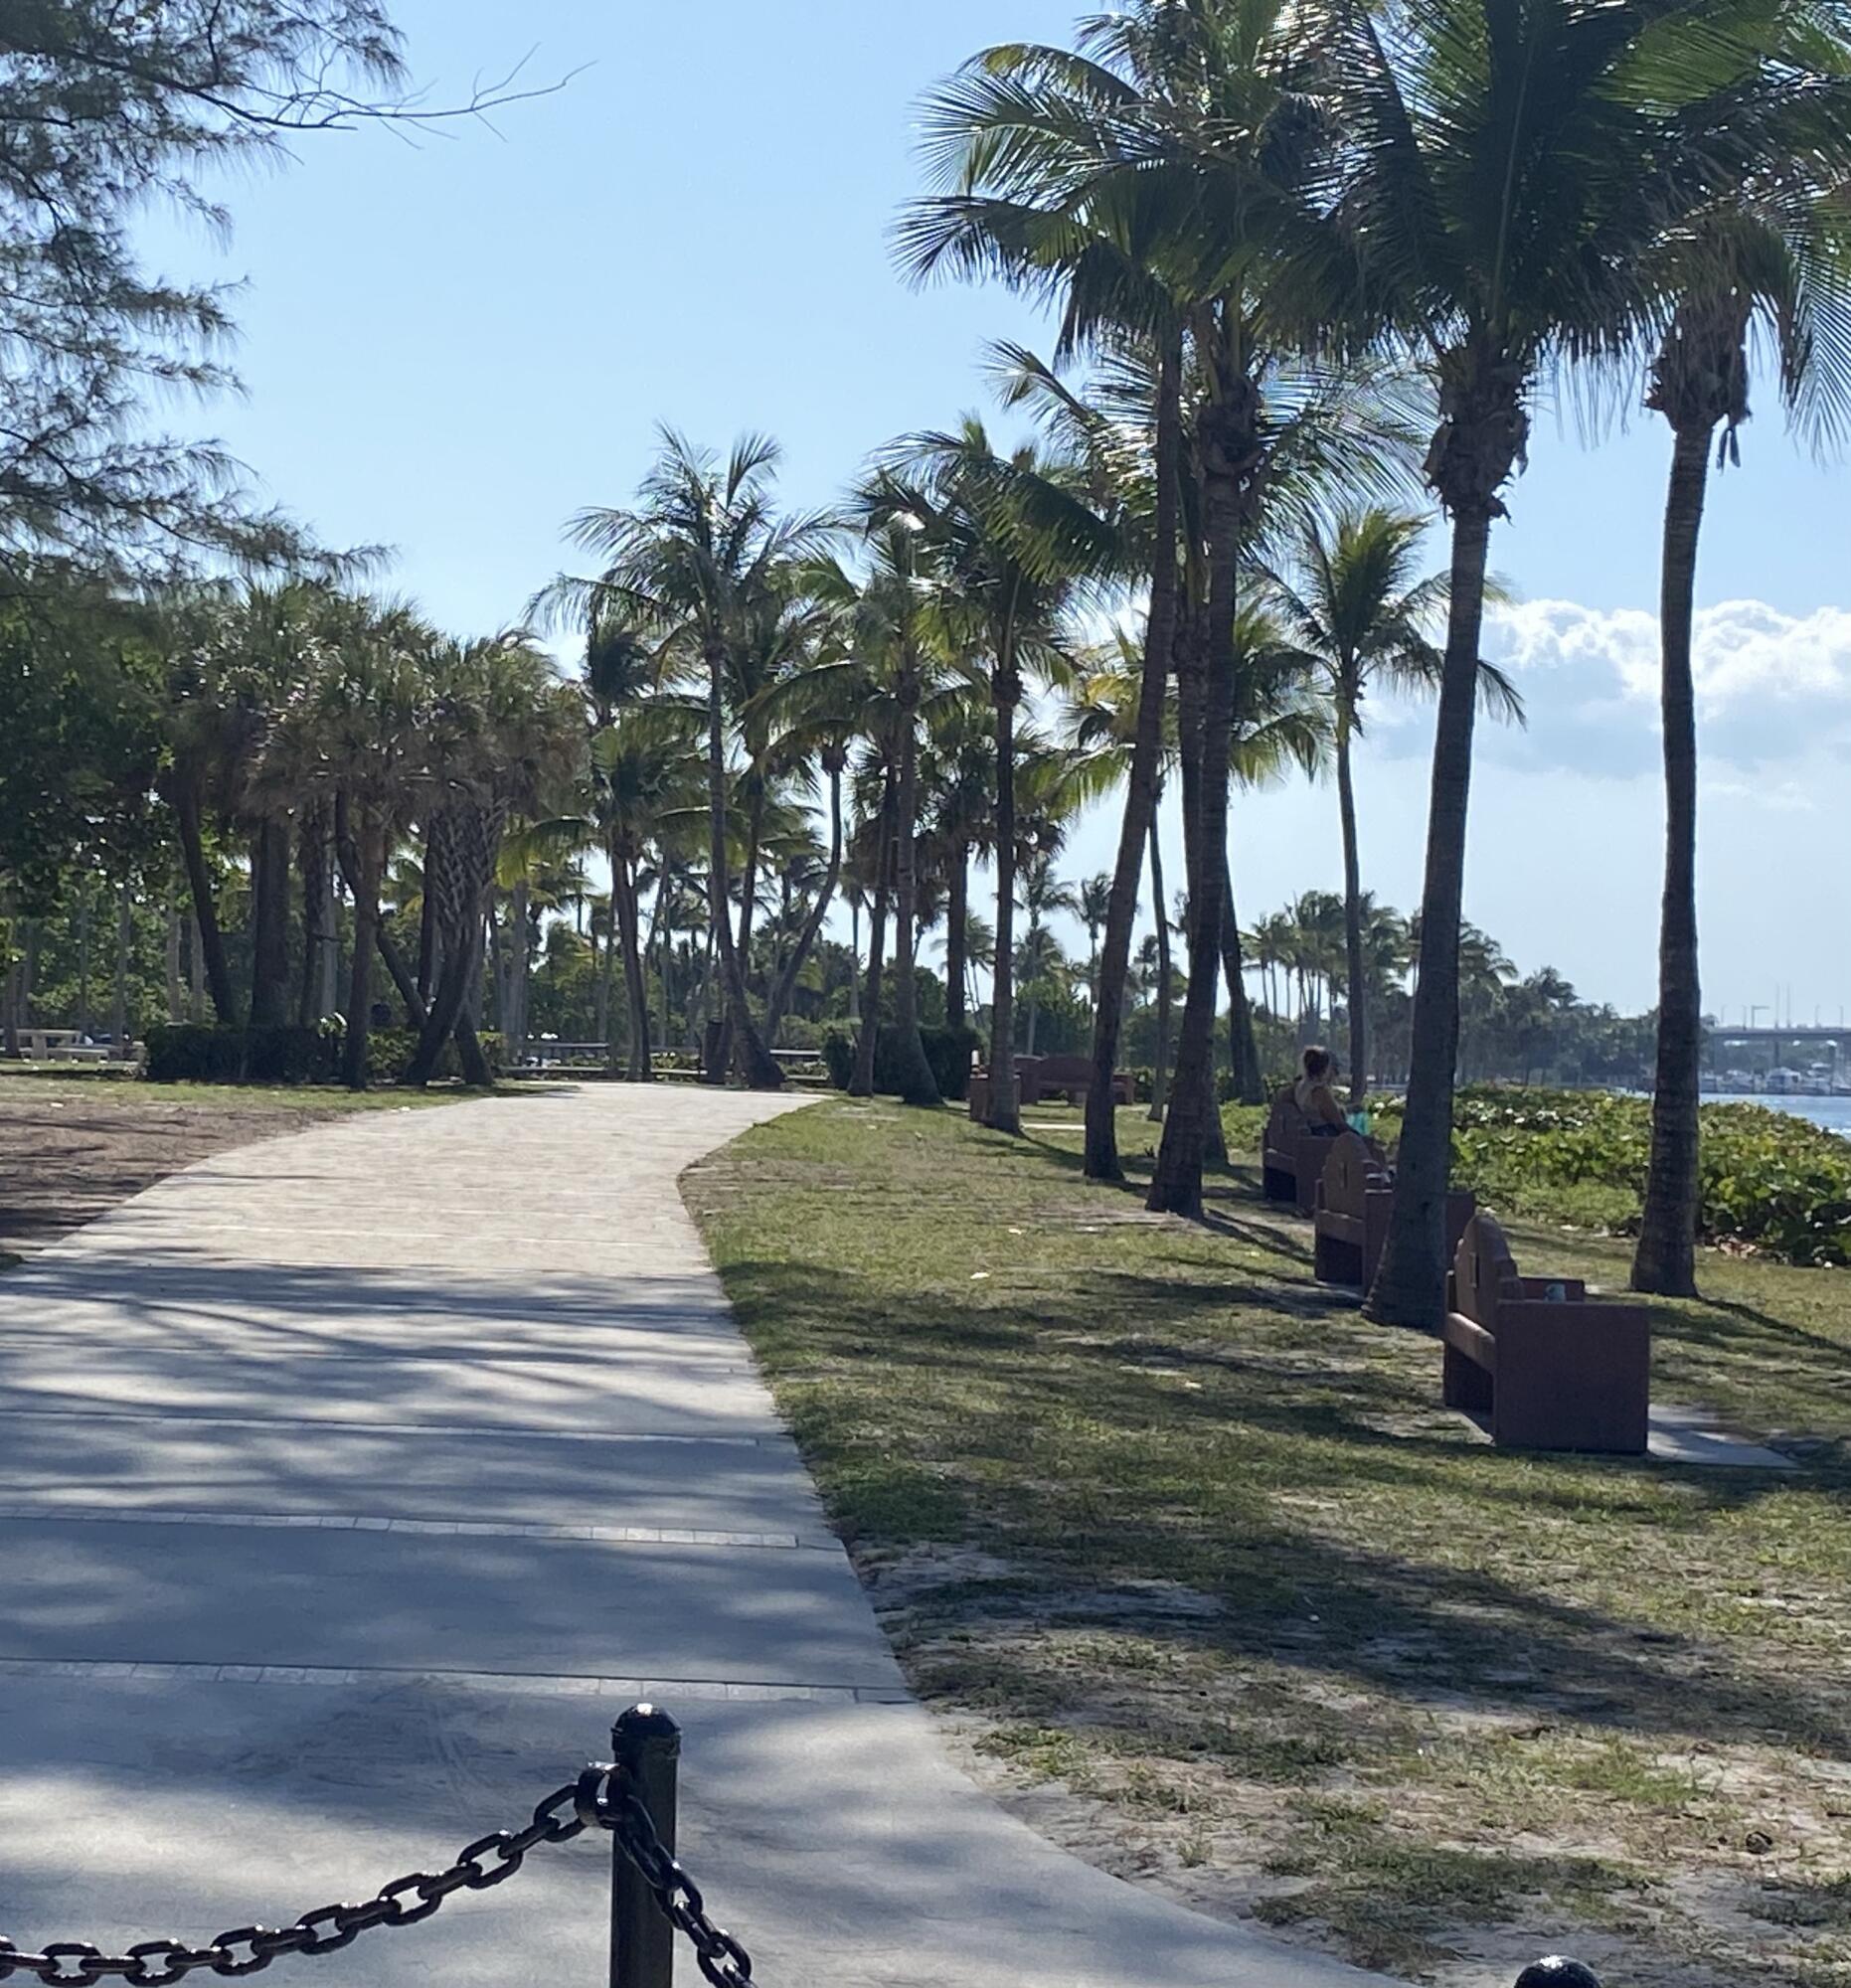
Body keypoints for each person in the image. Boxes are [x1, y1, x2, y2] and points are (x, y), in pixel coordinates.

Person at [1293, 1046, 1348, 1138]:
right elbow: (1339, 1123)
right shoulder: (1320, 1091)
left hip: (1311, 1134)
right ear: (1325, 1068)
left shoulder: (1301, 1087)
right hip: (1324, 1136)